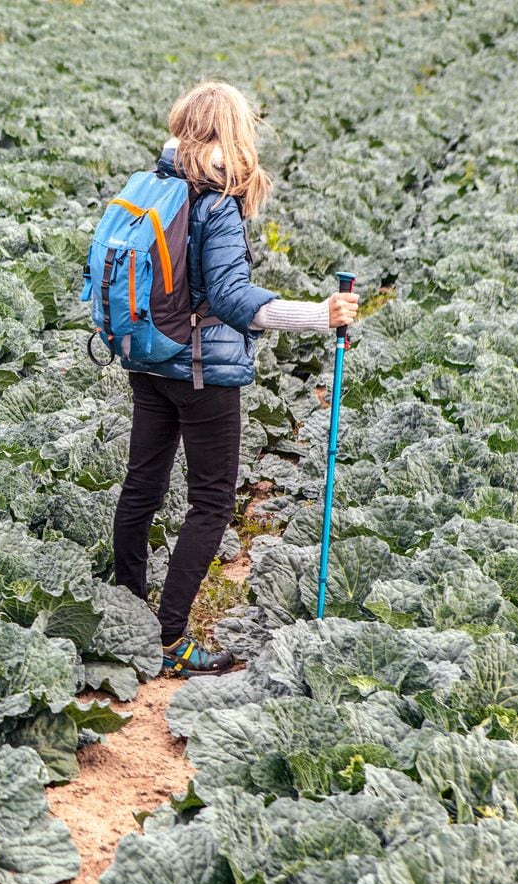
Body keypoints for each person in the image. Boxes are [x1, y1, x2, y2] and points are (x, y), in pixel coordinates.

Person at [112, 80, 359, 677]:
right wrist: (317, 316)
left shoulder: (152, 183)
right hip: (202, 370)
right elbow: (229, 297)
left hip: (146, 357)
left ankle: (123, 616)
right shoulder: (216, 201)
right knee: (213, 499)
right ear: (234, 132)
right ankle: (170, 639)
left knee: (142, 485)